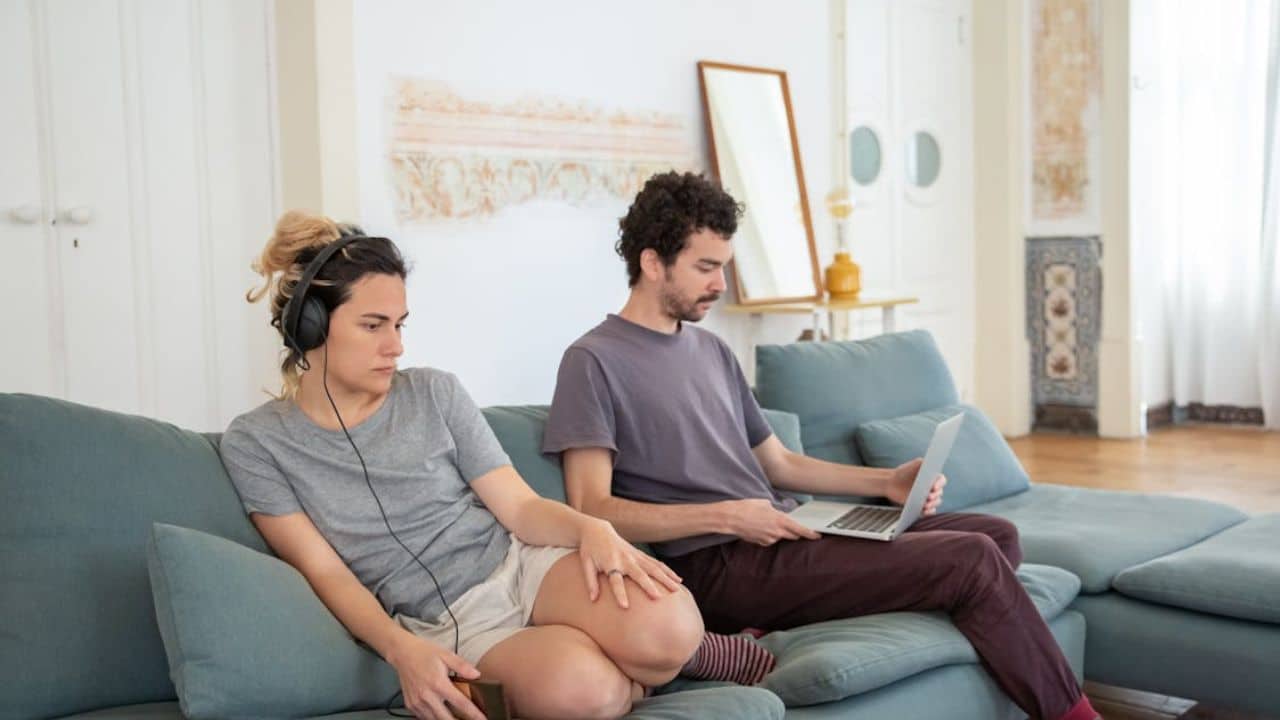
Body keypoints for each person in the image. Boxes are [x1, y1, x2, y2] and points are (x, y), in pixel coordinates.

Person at [542, 172, 1102, 720]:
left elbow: (778, 463)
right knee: (973, 560)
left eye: (723, 268)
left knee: (995, 534)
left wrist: (884, 483)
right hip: (715, 565)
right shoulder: (593, 361)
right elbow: (591, 508)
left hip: (781, 533)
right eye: (705, 267)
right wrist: (731, 517)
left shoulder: (710, 351)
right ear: (650, 261)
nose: (719, 284)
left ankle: (828, 606)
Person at [218, 211, 771, 720]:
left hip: (522, 564)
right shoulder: (258, 443)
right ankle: (644, 674)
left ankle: (675, 655)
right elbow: (326, 572)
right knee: (587, 692)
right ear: (312, 328)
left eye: (400, 324)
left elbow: (521, 508)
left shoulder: (434, 392)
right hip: (448, 623)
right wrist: (402, 650)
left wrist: (591, 529)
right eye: (373, 325)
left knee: (671, 629)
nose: (395, 347)